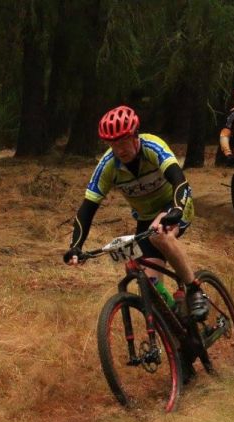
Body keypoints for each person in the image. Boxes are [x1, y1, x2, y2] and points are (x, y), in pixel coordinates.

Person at [63, 105, 208, 319]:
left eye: (123, 141)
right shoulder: (107, 166)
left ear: (135, 135)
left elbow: (179, 180)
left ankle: (195, 289)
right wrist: (75, 246)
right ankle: (177, 322)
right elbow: (87, 209)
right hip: (146, 218)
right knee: (148, 285)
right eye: (113, 144)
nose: (120, 149)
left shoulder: (153, 147)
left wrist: (176, 209)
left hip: (176, 203)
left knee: (161, 236)